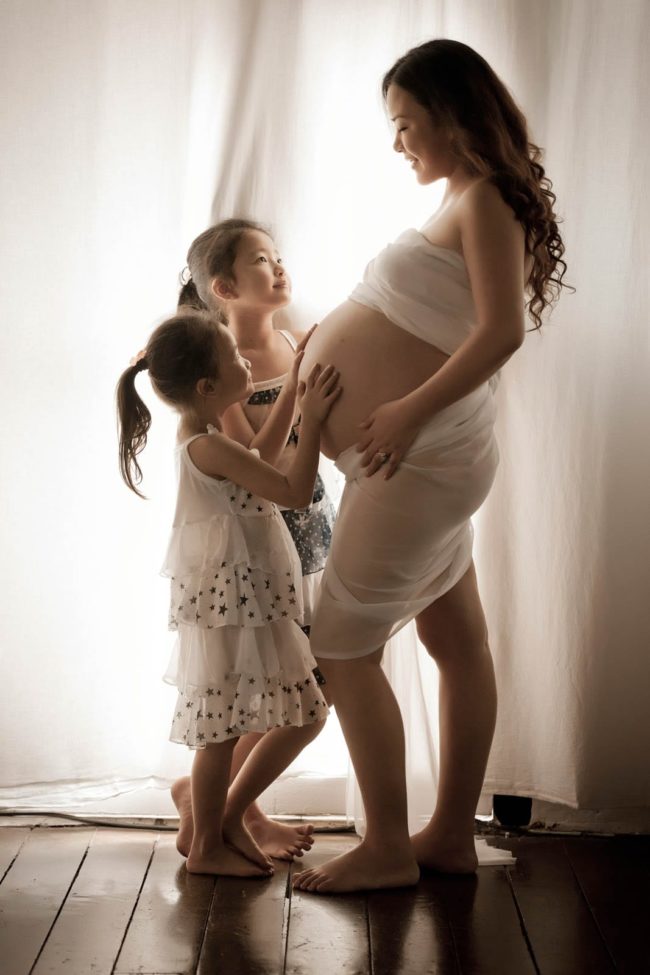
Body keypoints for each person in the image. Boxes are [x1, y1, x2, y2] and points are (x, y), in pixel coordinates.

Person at [292, 38, 569, 893]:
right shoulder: (464, 194)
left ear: (454, 117)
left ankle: (384, 844)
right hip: (421, 461)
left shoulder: (485, 197)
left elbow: (500, 333)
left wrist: (409, 408)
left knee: (340, 643)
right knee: (457, 639)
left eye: (409, 125)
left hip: (420, 455)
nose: (399, 142)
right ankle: (447, 832)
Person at [116, 311, 340, 876]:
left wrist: (291, 387)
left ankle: (221, 822)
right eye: (236, 360)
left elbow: (260, 458)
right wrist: (310, 422)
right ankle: (208, 847)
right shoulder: (206, 447)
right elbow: (289, 490)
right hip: (234, 611)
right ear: (207, 387)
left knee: (237, 726)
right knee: (229, 730)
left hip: (244, 604)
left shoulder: (206, 434)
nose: (247, 363)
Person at [169, 219, 336, 861]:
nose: (279, 267)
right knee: (276, 690)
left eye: (278, 255)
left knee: (289, 686)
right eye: (262, 259)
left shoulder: (293, 339)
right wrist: (298, 390)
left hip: (308, 537)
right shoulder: (222, 374)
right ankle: (230, 813)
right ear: (224, 287)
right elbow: (256, 464)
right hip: (258, 549)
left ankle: (222, 807)